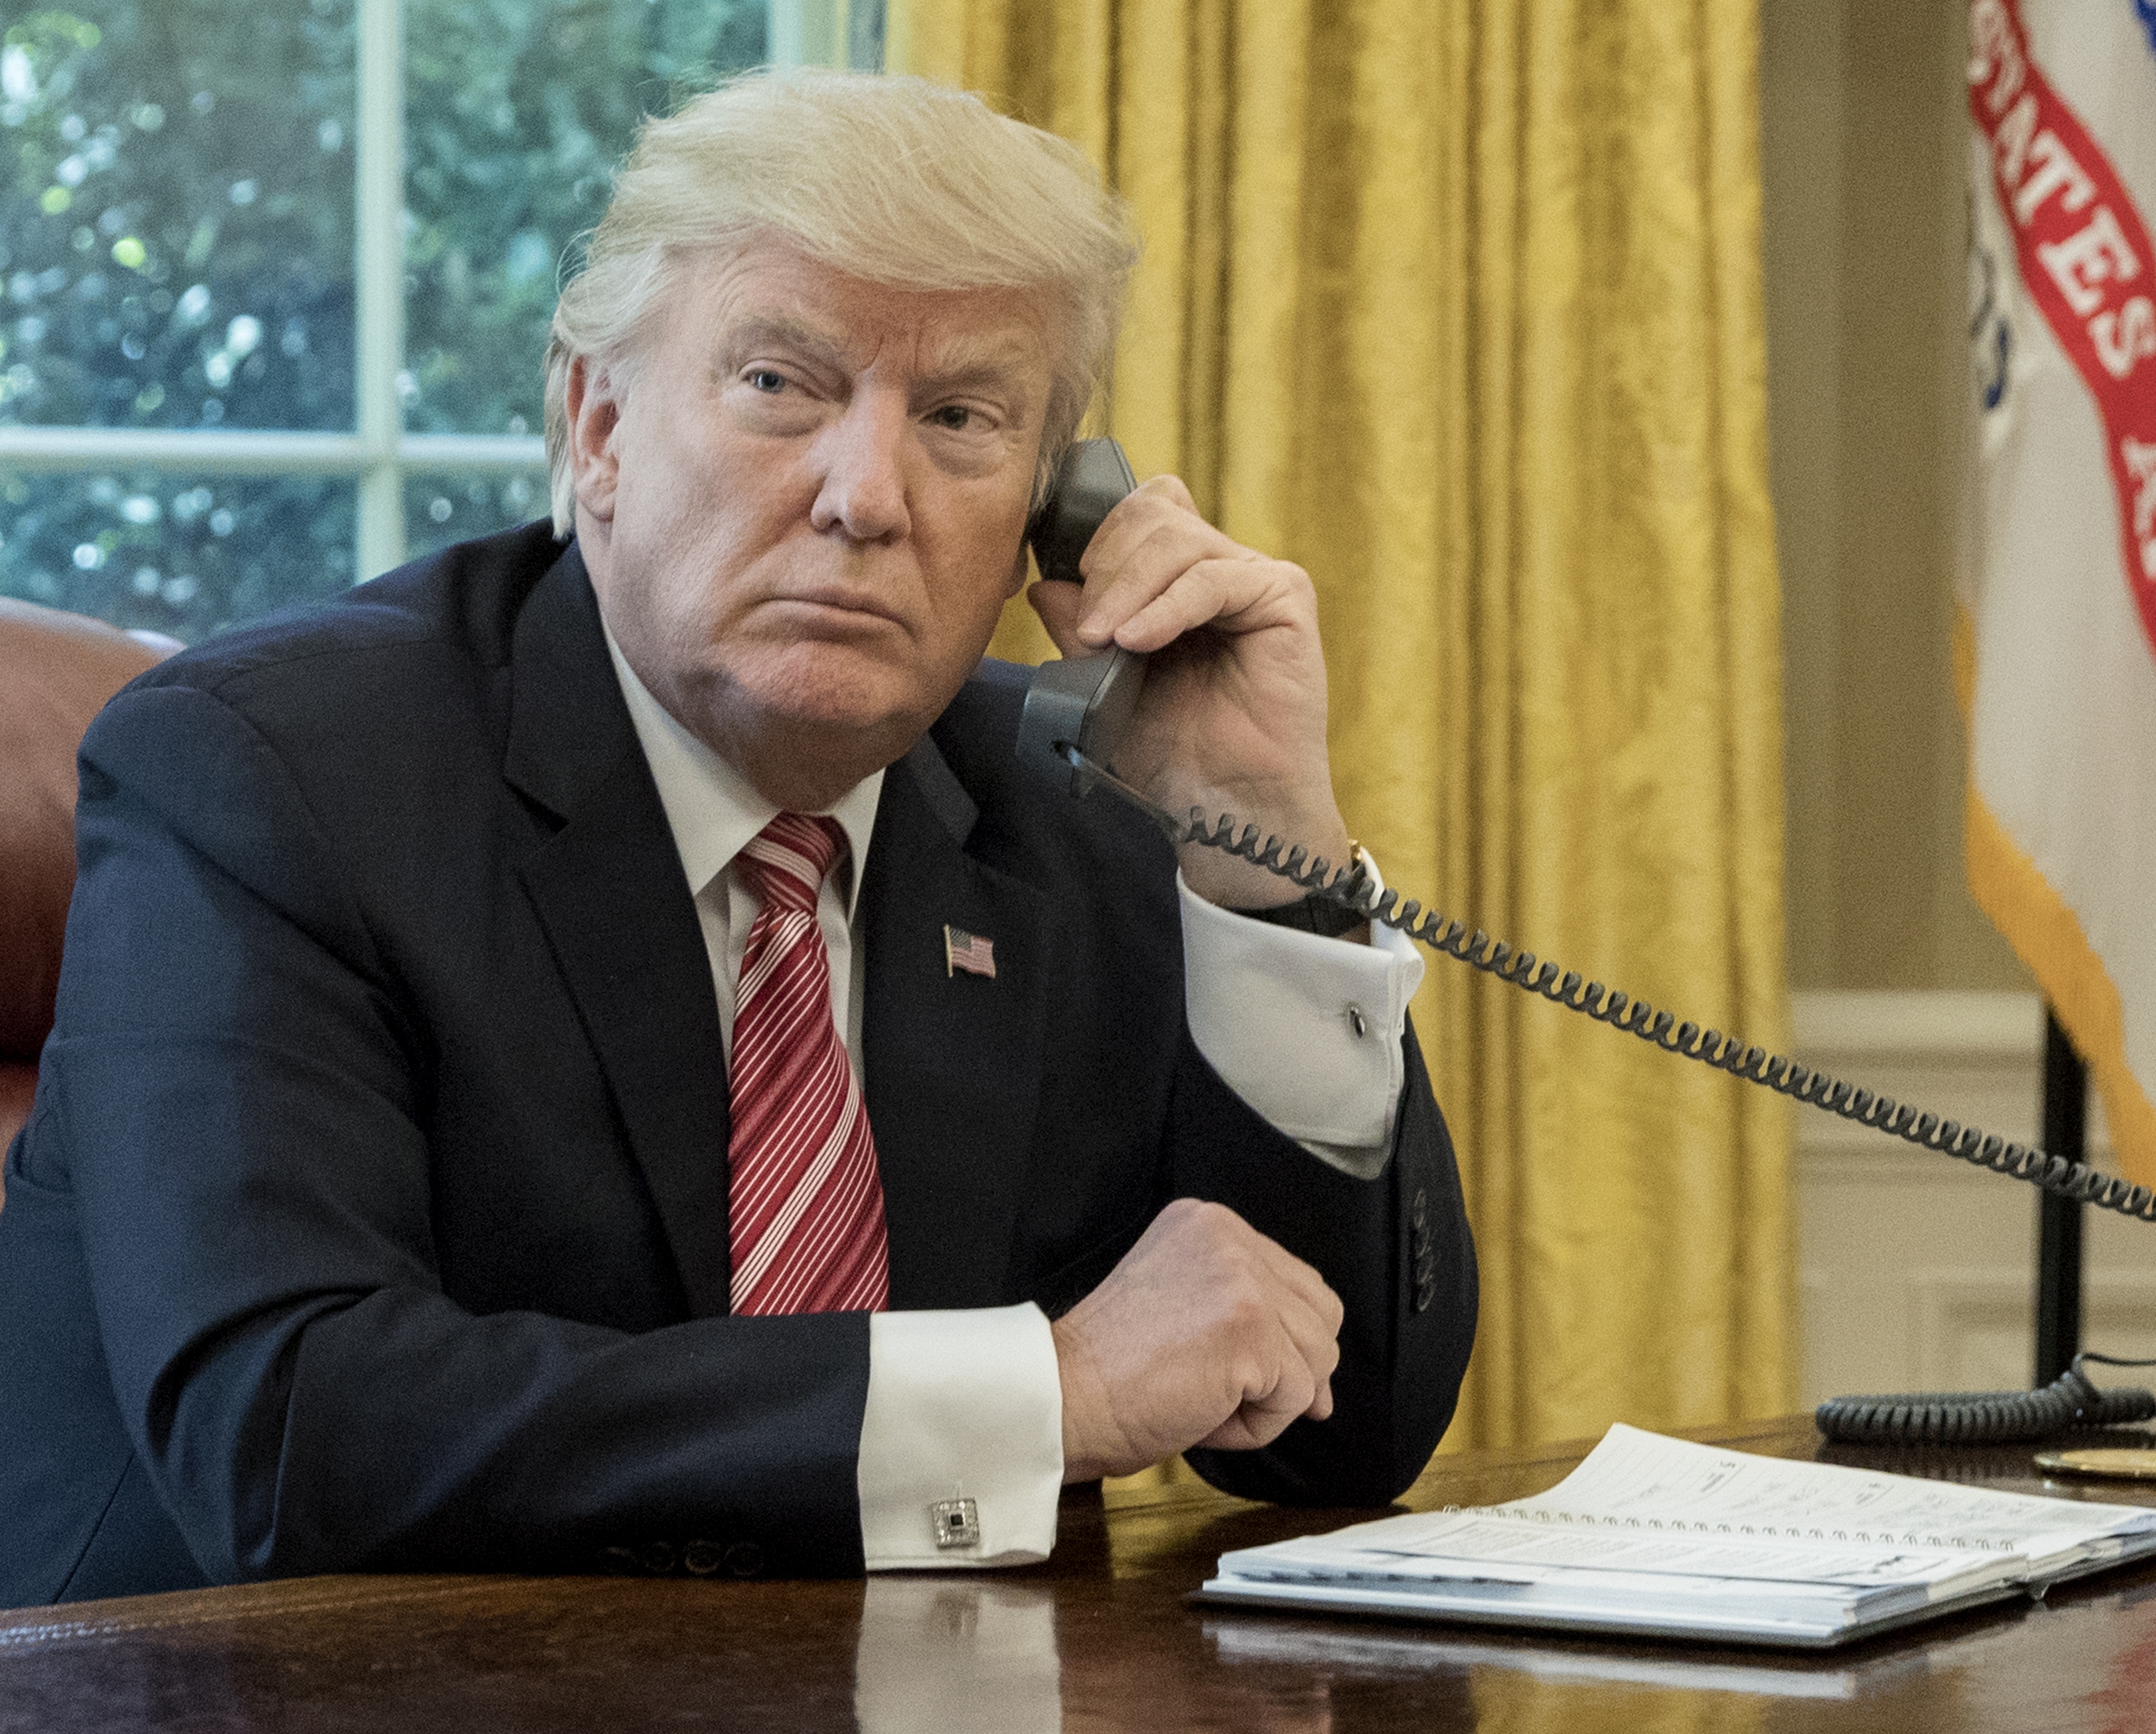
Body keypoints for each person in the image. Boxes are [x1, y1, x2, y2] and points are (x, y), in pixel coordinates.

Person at [0, 70, 1475, 1606]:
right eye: (781, 384)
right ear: (601, 424)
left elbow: (1330, 1435)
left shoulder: (1080, 813)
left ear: (1057, 511)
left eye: (963, 420)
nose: (864, 498)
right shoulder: (272, 775)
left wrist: (1265, 869)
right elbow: (287, 1431)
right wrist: (1039, 1391)